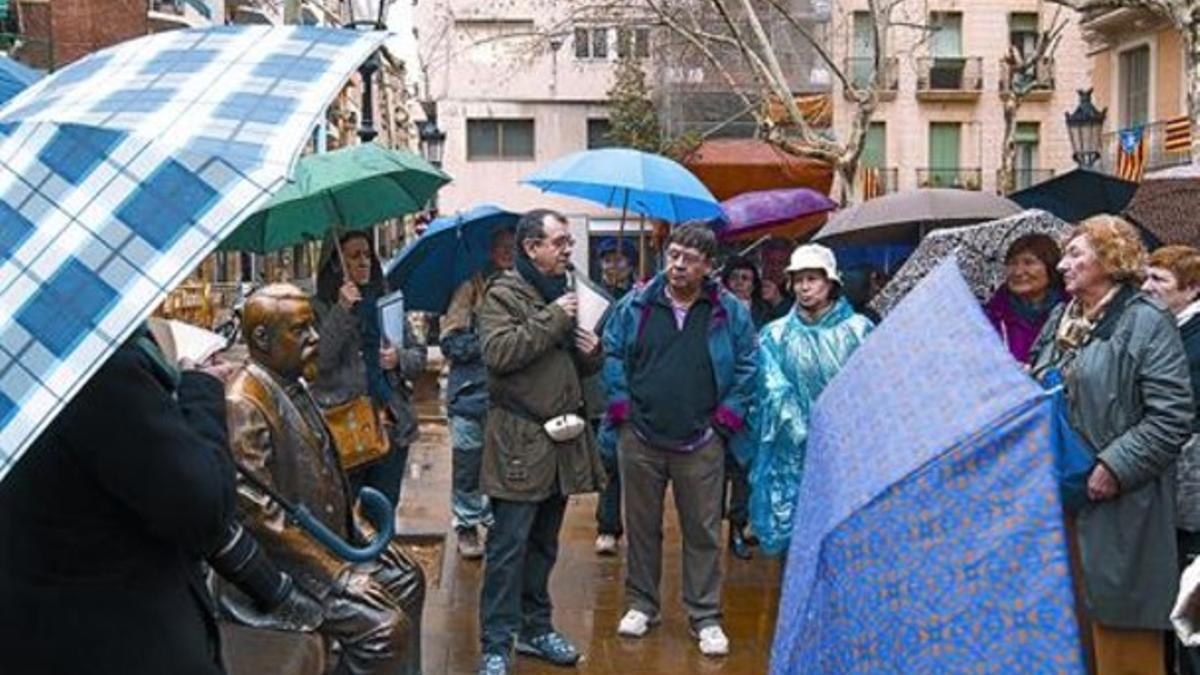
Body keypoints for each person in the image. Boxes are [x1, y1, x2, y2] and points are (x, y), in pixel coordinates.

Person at [0, 326, 312, 674]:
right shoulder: (91, 369)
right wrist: (202, 391)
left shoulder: (19, 359)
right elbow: (203, 506)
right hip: (122, 640)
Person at [224, 284, 426, 675]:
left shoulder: (291, 382)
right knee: (383, 630)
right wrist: (337, 573)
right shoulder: (243, 403)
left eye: (312, 327)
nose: (315, 338)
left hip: (323, 546)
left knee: (406, 578)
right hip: (280, 573)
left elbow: (327, 480)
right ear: (262, 339)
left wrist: (360, 534)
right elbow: (258, 516)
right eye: (300, 331)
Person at [1029, 215, 1193, 675]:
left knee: (1123, 645)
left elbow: (1172, 415)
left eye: (1076, 254)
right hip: (1063, 497)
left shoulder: (1146, 321)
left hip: (1120, 507)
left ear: (1110, 258)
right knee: (1074, 633)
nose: (1062, 265)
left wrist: (1114, 467)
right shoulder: (1062, 318)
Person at [602, 223, 757, 657]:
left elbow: (747, 367)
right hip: (641, 436)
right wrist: (621, 408)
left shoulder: (730, 311)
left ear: (709, 266)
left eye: (689, 258)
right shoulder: (636, 303)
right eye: (673, 255)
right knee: (641, 527)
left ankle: (705, 615)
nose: (678, 265)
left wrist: (725, 422)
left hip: (702, 440)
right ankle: (641, 604)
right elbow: (612, 351)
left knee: (704, 530)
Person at [475, 209, 606, 675]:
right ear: (532, 248)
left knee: (545, 544)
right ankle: (494, 643)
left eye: (569, 243)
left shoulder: (568, 292)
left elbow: (574, 366)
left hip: (560, 444)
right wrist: (553, 318)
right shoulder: (503, 293)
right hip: (518, 444)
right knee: (508, 548)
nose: (569, 250)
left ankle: (536, 628)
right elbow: (498, 354)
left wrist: (592, 354)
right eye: (560, 242)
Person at [744, 244, 873, 557]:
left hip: (844, 454)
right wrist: (800, 429)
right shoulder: (774, 335)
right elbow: (770, 389)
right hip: (790, 453)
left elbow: (869, 390)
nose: (804, 286)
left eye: (812, 278)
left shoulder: (859, 330)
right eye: (798, 278)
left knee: (841, 536)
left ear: (830, 283)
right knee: (794, 540)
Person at [312, 230, 427, 506]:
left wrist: (398, 359)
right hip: (345, 427)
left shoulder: (386, 301)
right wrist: (342, 311)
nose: (364, 262)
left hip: (390, 424)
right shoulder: (317, 308)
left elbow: (419, 356)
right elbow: (319, 362)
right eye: (354, 256)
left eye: (367, 255)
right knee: (346, 513)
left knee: (384, 510)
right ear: (337, 264)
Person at [1142, 245, 1200, 675]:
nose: (1148, 288)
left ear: (1192, 288)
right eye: (1146, 278)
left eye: (1159, 280)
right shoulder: (1166, 328)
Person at [442, 226, 515, 559]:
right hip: (469, 395)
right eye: (502, 246)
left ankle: (495, 521)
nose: (508, 253)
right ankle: (467, 525)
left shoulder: (522, 290)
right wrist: (488, 341)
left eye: (514, 247)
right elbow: (450, 342)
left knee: (501, 464)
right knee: (468, 464)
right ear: (491, 250)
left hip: (508, 396)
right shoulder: (470, 288)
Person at [718, 255, 770, 560]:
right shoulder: (717, 311)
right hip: (720, 401)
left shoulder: (766, 313)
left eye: (746, 278)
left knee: (743, 470)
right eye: (734, 277)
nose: (740, 283)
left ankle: (738, 527)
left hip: (754, 403)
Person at [983, 234, 1065, 363]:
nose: (1018, 272)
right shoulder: (990, 319)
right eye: (1012, 263)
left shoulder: (1072, 313)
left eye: (1029, 262)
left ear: (1050, 268)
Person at [758, 236, 795, 321]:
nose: (775, 268)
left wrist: (777, 302)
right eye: (770, 262)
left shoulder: (798, 294)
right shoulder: (749, 290)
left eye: (781, 263)